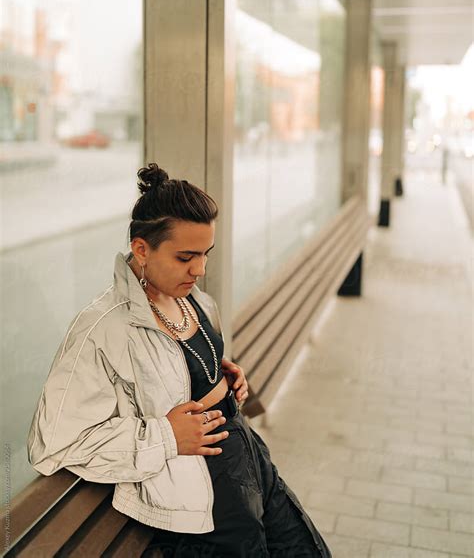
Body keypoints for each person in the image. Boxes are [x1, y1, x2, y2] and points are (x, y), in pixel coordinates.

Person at [27, 163, 332, 557]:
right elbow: (55, 444)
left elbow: (177, 367)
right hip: (202, 502)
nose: (200, 269)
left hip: (248, 459)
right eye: (186, 256)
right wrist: (165, 437)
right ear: (141, 248)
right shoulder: (102, 328)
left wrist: (221, 379)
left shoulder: (193, 300)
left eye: (206, 254)